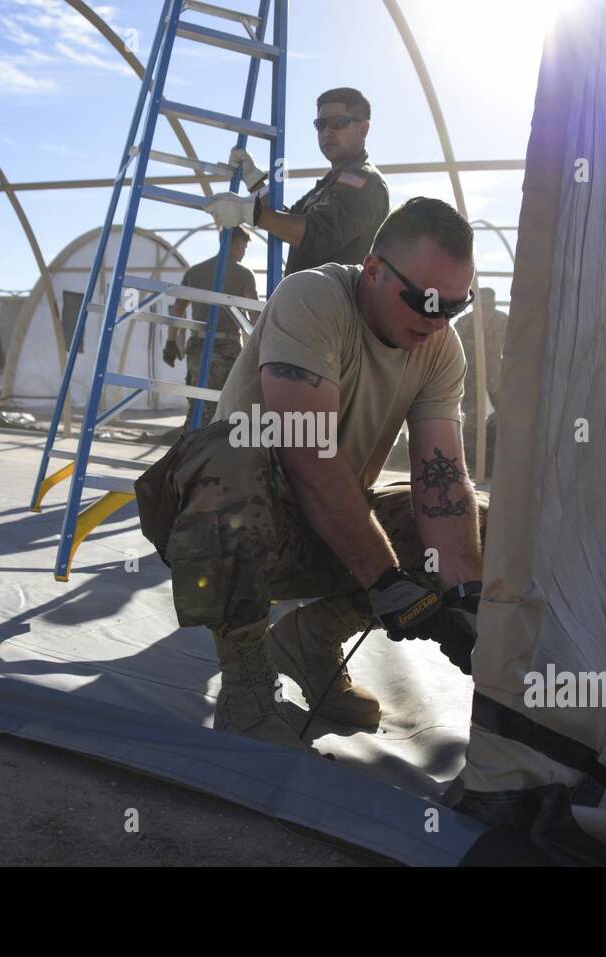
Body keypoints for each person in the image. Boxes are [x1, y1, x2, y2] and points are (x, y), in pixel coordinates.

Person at [136, 198, 485, 750]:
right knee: (231, 453)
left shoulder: (440, 348)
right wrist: (390, 585)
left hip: (329, 529)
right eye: (423, 300)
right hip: (237, 521)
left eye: (454, 307)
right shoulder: (313, 297)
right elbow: (306, 455)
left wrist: (467, 598)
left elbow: (441, 481)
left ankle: (310, 642)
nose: (436, 319)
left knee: (475, 522)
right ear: (373, 270)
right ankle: (248, 689)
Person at [207, 88, 389, 276]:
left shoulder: (364, 182)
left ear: (363, 129)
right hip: (314, 300)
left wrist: (249, 212)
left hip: (336, 304)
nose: (327, 132)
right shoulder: (332, 183)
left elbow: (320, 235)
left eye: (337, 123)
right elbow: (288, 219)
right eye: (320, 124)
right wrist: (253, 179)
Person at [162, 227, 258, 428]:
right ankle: (210, 451)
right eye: (244, 246)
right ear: (236, 243)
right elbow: (254, 314)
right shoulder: (243, 275)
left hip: (197, 345)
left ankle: (190, 448)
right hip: (225, 349)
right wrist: (260, 348)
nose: (244, 251)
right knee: (223, 405)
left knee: (196, 403)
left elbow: (178, 308)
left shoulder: (195, 272)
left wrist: (170, 342)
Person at [451, 287, 507, 472]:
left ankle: (505, 457)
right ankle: (472, 460)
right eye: (484, 305)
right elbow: (454, 352)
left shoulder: (502, 321)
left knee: (508, 413)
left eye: (491, 305)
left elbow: (515, 349)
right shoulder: (464, 323)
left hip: (495, 373)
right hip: (470, 375)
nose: (488, 310)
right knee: (471, 417)